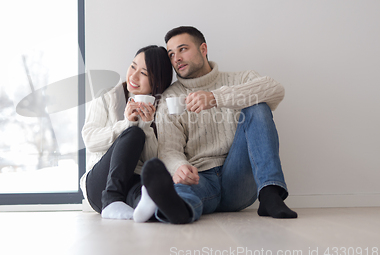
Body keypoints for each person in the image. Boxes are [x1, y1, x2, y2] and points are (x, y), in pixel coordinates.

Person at [138, 26, 297, 224]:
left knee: (257, 106)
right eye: (171, 54)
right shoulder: (171, 97)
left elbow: (276, 90)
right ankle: (179, 209)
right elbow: (169, 150)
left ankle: (270, 193)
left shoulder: (240, 79)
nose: (176, 58)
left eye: (183, 49)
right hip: (201, 178)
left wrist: (216, 98)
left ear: (203, 49)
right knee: (181, 189)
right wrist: (180, 167)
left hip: (239, 177)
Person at [80, 45, 173, 220]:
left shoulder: (163, 109)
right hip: (99, 186)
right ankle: (111, 200)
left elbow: (153, 161)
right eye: (132, 66)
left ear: (157, 82)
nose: (133, 76)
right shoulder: (108, 96)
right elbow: (90, 140)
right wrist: (127, 125)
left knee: (146, 198)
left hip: (132, 182)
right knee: (133, 134)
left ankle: (158, 211)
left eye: (144, 73)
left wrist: (146, 125)